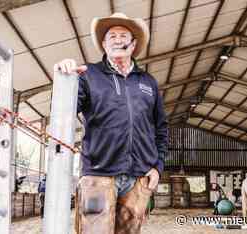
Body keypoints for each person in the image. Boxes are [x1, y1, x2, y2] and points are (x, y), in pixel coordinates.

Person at [55, 13, 168, 234]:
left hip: (139, 178)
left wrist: (158, 167)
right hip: (98, 175)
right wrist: (65, 79)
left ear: (133, 44)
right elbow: (64, 110)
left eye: (123, 35)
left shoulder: (148, 82)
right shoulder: (89, 75)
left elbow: (161, 128)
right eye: (111, 36)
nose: (117, 40)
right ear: (104, 44)